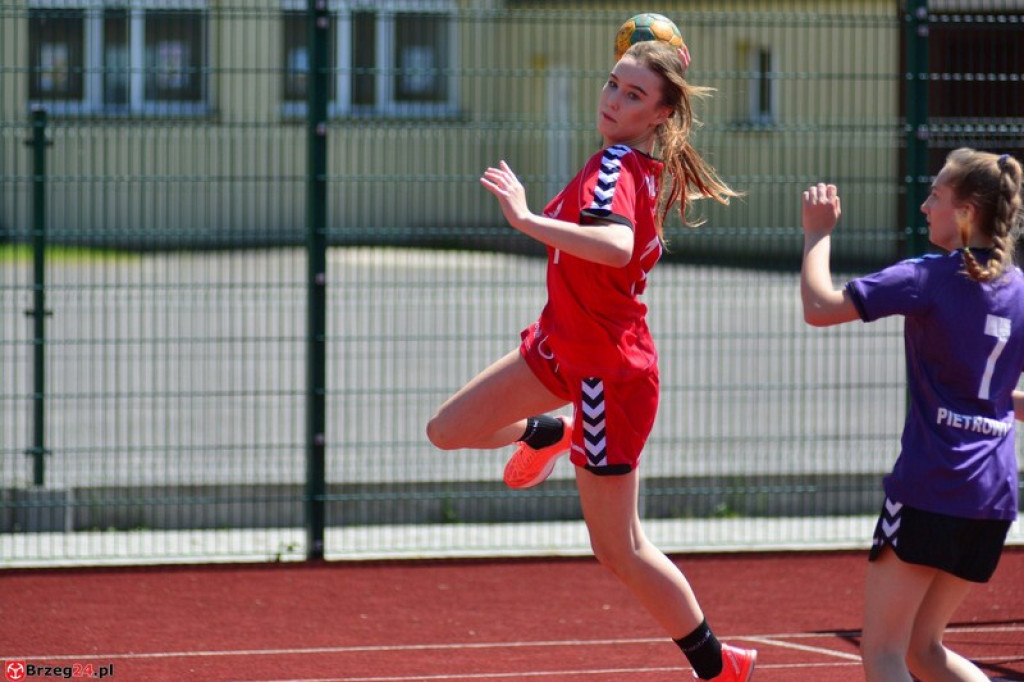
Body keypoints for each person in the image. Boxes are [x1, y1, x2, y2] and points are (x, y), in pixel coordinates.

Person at [426, 40, 756, 681]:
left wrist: (523, 218)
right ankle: (549, 430)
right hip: (560, 346)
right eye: (613, 84)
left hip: (607, 372)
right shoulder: (630, 165)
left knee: (620, 549)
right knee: (448, 430)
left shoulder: (617, 166)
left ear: (659, 115)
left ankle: (718, 666)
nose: (613, 99)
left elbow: (612, 244)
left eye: (634, 94)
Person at [800, 149, 1024, 682]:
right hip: (992, 496)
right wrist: (990, 413)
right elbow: (995, 393)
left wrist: (817, 233)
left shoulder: (928, 276)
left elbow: (819, 307)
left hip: (931, 486)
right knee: (926, 651)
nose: (925, 207)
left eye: (936, 196)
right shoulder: (1018, 289)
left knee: (884, 654)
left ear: (966, 212)